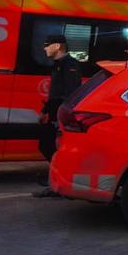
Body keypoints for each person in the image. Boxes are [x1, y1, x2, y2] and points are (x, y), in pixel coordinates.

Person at [33, 34, 81, 198]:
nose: (44, 48)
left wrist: (61, 118)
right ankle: (55, 181)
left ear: (58, 46)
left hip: (60, 115)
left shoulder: (70, 66)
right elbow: (54, 94)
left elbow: (70, 95)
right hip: (53, 113)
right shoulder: (58, 65)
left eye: (48, 44)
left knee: (51, 147)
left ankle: (57, 184)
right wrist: (45, 112)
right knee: (46, 145)